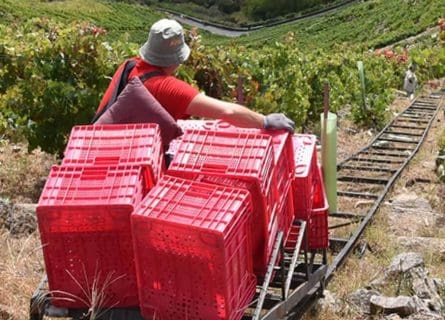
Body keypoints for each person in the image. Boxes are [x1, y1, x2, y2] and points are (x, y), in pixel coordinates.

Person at [96, 19, 294, 133]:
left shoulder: (128, 66)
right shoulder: (166, 87)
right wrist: (265, 121)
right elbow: (228, 112)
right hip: (127, 165)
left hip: (102, 148)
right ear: (177, 59)